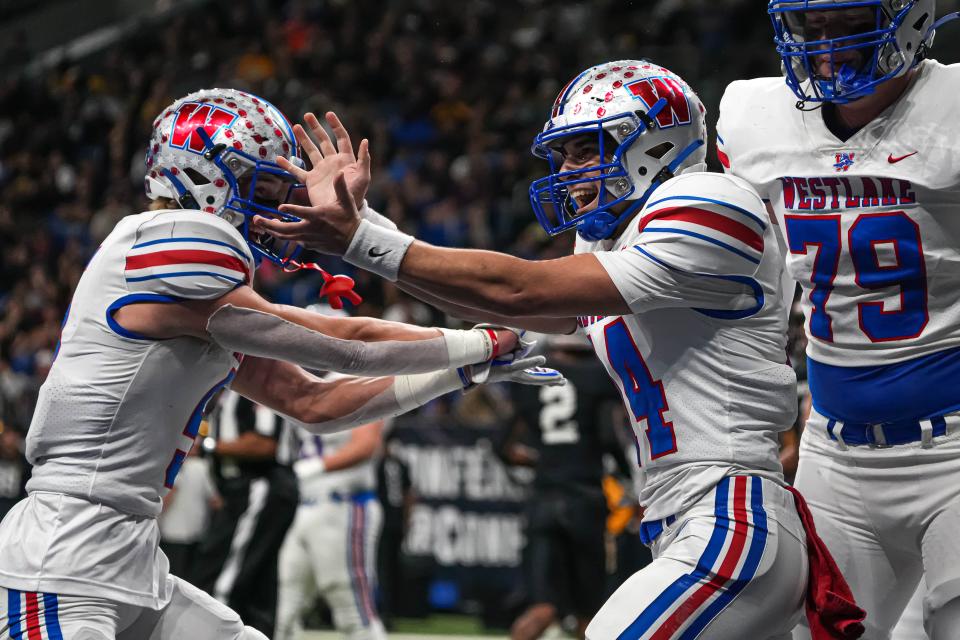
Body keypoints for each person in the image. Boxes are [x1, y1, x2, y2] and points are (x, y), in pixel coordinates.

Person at [255, 60, 866, 639]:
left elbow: (516, 289)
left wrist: (361, 242)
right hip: (687, 516)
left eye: (586, 149)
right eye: (565, 153)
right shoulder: (622, 236)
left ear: (654, 143)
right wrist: (365, 223)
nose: (570, 169)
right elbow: (506, 304)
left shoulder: (711, 202)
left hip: (731, 515)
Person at [0, 88, 562, 640]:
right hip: (61, 555)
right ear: (197, 177)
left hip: (130, 554)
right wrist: (480, 342)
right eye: (258, 188)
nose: (273, 208)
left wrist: (459, 372)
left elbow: (314, 402)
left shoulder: (201, 299)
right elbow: (341, 345)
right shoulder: (170, 238)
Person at [715, 2, 960, 637]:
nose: (823, 44)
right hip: (835, 450)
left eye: (846, 22)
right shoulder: (756, 119)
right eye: (810, 25)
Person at [502, 333, 631, 640]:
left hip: (543, 498)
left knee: (542, 608)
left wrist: (545, 463)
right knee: (590, 614)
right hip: (584, 498)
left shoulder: (530, 379)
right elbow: (609, 435)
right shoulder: (597, 377)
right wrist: (627, 476)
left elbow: (502, 445)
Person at [274, 394, 388, 639]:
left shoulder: (361, 372)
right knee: (281, 609)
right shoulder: (299, 376)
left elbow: (366, 444)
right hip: (302, 506)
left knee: (352, 610)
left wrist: (314, 468)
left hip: (343, 503)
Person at [192, 389, 299, 636]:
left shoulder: (257, 389)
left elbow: (264, 443)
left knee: (223, 581)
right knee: (258, 588)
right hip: (248, 490)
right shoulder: (231, 396)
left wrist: (208, 446)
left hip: (258, 486)